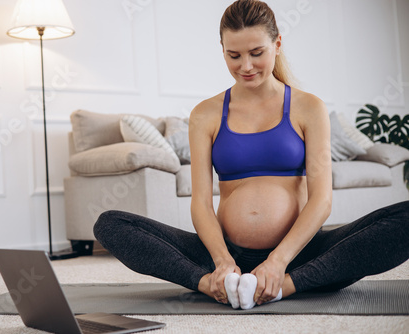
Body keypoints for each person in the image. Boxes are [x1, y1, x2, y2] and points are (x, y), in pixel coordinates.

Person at [93, 0, 409, 310]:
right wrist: (221, 261)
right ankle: (214, 283)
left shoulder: (309, 107)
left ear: (277, 43)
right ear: (222, 51)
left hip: (299, 255)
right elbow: (201, 202)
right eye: (234, 55)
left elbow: (321, 200)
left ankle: (282, 285)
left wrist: (277, 262)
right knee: (110, 224)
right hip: (223, 256)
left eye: (257, 53)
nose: (246, 66)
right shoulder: (205, 114)